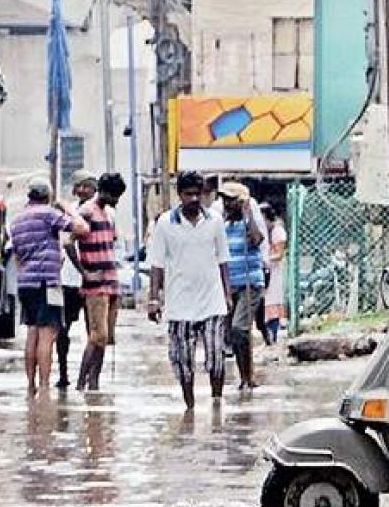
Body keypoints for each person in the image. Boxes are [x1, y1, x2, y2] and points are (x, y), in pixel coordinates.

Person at [147, 171, 233, 410]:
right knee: (183, 362)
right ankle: (190, 406)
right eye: (189, 194)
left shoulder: (215, 220)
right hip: (179, 303)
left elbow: (223, 259)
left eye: (198, 194)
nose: (194, 199)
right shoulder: (165, 223)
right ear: (180, 195)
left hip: (212, 300)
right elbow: (157, 264)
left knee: (216, 359)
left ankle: (217, 404)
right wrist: (154, 299)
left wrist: (227, 293)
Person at [9, 174, 89, 396]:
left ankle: (31, 384)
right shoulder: (48, 214)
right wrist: (68, 208)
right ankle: (44, 386)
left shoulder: (18, 220)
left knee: (32, 332)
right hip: (47, 282)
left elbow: (17, 256)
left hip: (26, 282)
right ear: (48, 196)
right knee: (47, 334)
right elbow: (82, 229)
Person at [74, 172, 127, 391]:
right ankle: (80, 383)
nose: (116, 201)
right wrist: (84, 272)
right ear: (104, 192)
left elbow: (112, 243)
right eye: (114, 196)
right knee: (98, 334)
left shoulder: (109, 213)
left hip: (111, 279)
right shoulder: (86, 212)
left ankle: (94, 381)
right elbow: (68, 241)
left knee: (106, 337)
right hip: (95, 283)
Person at [218, 181, 266, 389]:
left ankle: (248, 376)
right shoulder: (223, 225)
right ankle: (245, 376)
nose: (226, 204)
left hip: (250, 282)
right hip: (231, 285)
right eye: (224, 200)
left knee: (240, 328)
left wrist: (248, 215)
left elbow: (257, 240)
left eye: (230, 200)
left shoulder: (249, 223)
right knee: (234, 334)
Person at [56, 170, 94, 389]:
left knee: (94, 333)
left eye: (86, 185)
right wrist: (82, 271)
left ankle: (88, 377)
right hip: (71, 280)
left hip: (90, 281)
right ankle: (64, 374)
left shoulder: (102, 212)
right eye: (78, 186)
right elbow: (67, 243)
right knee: (63, 330)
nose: (82, 190)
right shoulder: (70, 213)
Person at [261, 202, 288, 345]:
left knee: (273, 300)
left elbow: (279, 254)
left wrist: (265, 259)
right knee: (265, 301)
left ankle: (274, 333)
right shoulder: (264, 231)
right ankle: (268, 335)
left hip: (275, 270)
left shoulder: (278, 232)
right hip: (265, 269)